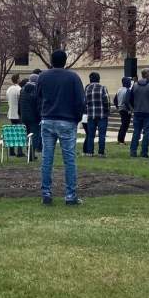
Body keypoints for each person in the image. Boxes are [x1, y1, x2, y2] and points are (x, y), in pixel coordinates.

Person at [38, 50, 84, 206]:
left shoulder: (43, 76)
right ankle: (70, 196)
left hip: (48, 119)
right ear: (65, 61)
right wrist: (77, 117)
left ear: (51, 61)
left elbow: (38, 97)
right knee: (69, 159)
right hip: (67, 120)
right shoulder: (73, 77)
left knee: (47, 158)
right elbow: (80, 100)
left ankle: (46, 193)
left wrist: (43, 113)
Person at [128, 69, 149, 158]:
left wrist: (135, 107)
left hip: (137, 112)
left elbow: (130, 99)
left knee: (136, 131)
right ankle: (144, 152)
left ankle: (133, 151)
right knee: (147, 133)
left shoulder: (135, 86)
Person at [82, 72, 110, 157]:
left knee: (91, 135)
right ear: (99, 79)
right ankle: (101, 152)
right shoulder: (102, 88)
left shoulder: (87, 89)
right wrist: (107, 111)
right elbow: (107, 101)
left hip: (91, 115)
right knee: (102, 135)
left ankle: (90, 152)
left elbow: (84, 102)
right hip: (102, 115)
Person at [19, 73, 41, 159]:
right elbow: (38, 104)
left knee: (28, 134)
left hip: (24, 116)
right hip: (34, 117)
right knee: (35, 135)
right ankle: (31, 153)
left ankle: (29, 153)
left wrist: (20, 114)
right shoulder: (36, 90)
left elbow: (20, 104)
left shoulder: (22, 90)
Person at [114, 76, 133, 144]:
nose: (130, 83)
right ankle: (121, 140)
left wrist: (118, 107)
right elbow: (126, 101)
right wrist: (130, 109)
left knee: (123, 124)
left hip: (120, 109)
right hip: (126, 110)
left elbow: (115, 100)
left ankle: (120, 139)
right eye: (130, 82)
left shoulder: (119, 90)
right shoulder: (128, 90)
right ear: (127, 83)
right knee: (125, 125)